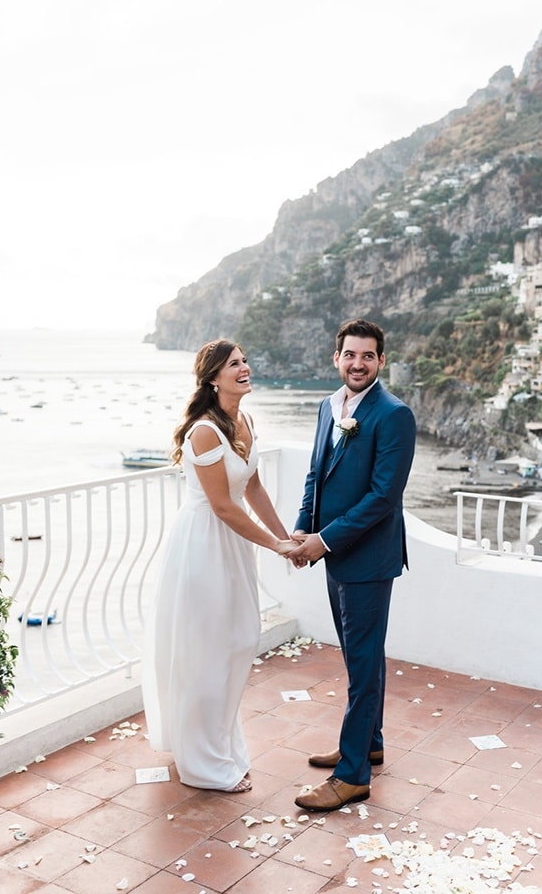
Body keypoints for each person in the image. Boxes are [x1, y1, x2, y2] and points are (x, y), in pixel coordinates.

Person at [142, 338, 292, 793]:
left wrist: (285, 538)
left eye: (245, 360)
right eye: (233, 364)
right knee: (207, 653)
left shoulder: (244, 420)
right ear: (212, 378)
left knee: (239, 641)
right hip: (203, 546)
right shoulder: (205, 432)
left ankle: (218, 745)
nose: (244, 367)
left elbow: (254, 490)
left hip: (233, 548)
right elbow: (224, 507)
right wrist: (274, 546)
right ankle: (203, 765)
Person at [288, 318, 416, 811]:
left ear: (381, 361)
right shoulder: (328, 406)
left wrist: (324, 541)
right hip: (332, 553)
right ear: (336, 358)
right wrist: (303, 527)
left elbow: (385, 497)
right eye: (349, 355)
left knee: (362, 665)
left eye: (367, 356)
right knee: (357, 657)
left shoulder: (393, 414)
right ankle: (369, 742)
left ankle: (352, 774)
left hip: (368, 558)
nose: (357, 363)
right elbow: (316, 474)